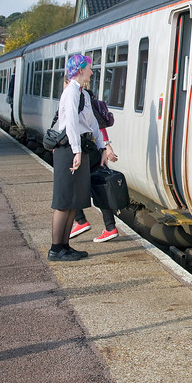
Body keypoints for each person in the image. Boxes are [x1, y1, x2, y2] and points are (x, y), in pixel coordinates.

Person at [48, 54, 117, 261]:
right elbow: (70, 123)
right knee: (63, 202)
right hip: (68, 150)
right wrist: (76, 151)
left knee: (74, 200)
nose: (92, 71)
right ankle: (55, 248)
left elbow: (93, 125)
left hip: (80, 150)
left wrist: (103, 147)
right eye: (89, 68)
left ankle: (65, 246)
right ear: (79, 70)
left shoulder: (83, 94)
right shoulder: (70, 93)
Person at [70, 88, 119, 243]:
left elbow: (75, 126)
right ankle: (110, 227)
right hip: (94, 149)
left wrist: (106, 147)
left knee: (68, 185)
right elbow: (98, 125)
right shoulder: (86, 97)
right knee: (99, 188)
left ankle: (80, 220)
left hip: (84, 150)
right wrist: (105, 147)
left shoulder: (77, 98)